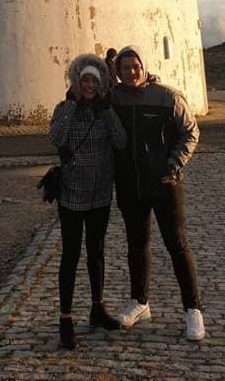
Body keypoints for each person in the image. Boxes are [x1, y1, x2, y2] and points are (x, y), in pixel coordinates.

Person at [110, 45, 205, 341]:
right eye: (125, 68)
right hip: (130, 184)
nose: (131, 72)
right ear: (118, 72)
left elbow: (191, 131)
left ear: (144, 66)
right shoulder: (113, 98)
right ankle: (140, 303)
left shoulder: (167, 96)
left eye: (135, 66)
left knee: (177, 245)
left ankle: (193, 310)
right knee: (137, 245)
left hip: (164, 184)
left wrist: (172, 165)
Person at [49, 53, 128, 350]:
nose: (90, 86)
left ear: (101, 83)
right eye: (85, 81)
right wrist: (71, 104)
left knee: (96, 252)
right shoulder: (64, 109)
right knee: (70, 255)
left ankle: (98, 308)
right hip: (72, 193)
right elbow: (56, 138)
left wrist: (106, 111)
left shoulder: (104, 110)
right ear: (76, 82)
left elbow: (120, 140)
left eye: (94, 81)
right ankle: (65, 318)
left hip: (100, 194)